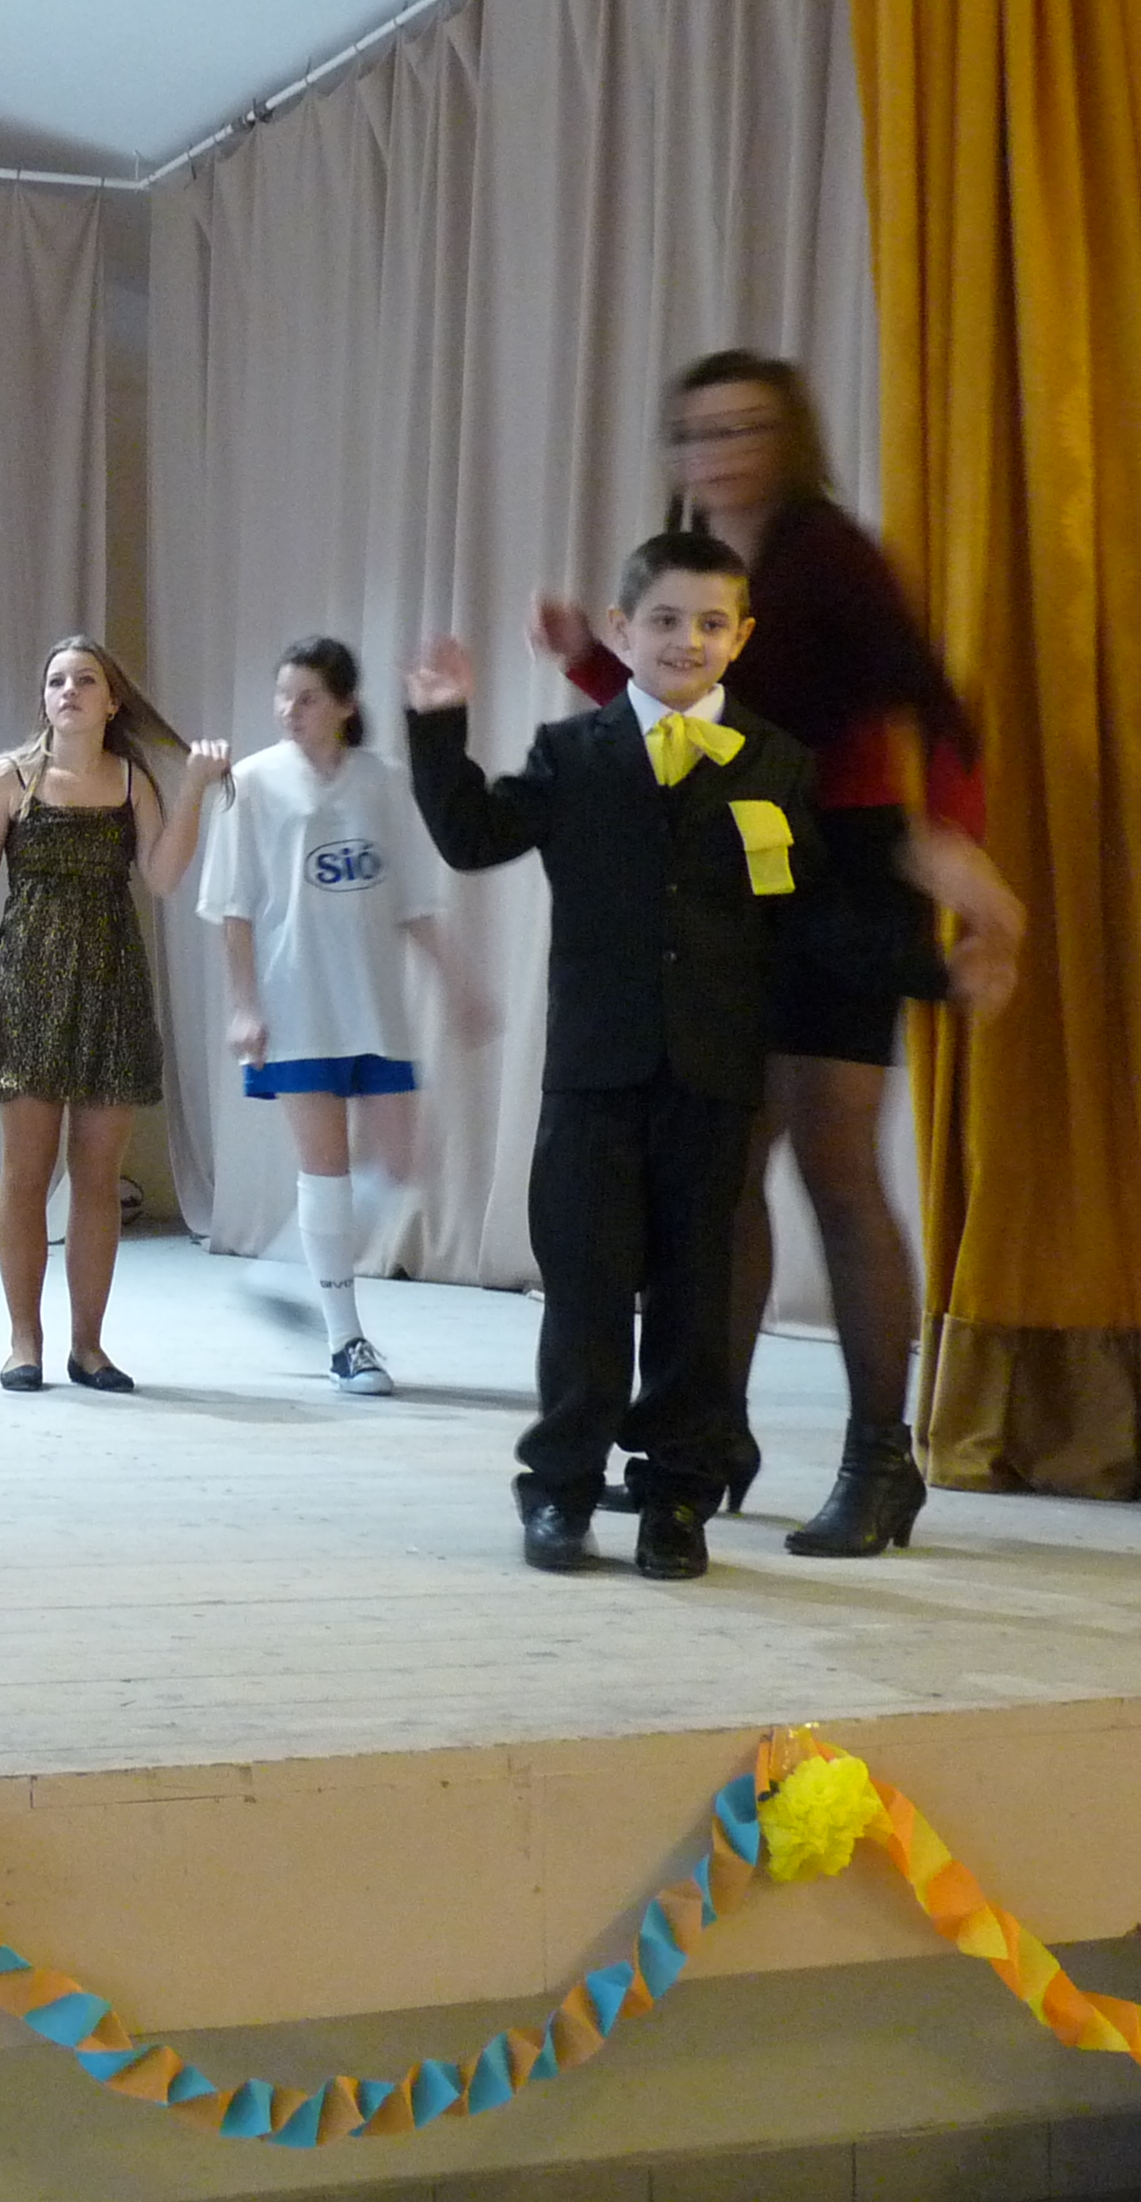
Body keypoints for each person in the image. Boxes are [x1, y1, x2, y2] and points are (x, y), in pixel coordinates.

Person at [533, 351, 1023, 1556]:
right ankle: (704, 1443)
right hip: (735, 885)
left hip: (845, 871)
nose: (718, 451)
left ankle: (879, 1461)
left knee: (836, 1169)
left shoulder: (828, 554)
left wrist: (956, 848)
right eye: (697, 431)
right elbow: (693, 729)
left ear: (790, 437)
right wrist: (589, 663)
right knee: (720, 1175)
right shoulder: (694, 567)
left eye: (744, 427)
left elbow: (933, 709)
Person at [408, 531, 825, 1580]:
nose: (688, 640)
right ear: (620, 632)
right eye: (666, 620)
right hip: (595, 1069)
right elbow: (472, 837)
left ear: (742, 637)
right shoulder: (574, 754)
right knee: (585, 1291)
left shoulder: (778, 760)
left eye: (712, 623)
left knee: (696, 1298)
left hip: (713, 1076)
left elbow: (795, 918)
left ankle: (677, 1495)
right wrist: (439, 727)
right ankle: (560, 1487)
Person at [0, 636, 223, 1393]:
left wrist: (193, 790)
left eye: (85, 680)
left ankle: (89, 1346)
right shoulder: (9, 779)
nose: (68, 690)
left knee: (98, 1176)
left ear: (112, 701)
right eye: (56, 681)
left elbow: (162, 876)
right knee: (25, 1171)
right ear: (44, 700)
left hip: (111, 984)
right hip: (28, 982)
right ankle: (23, 1340)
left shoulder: (133, 782)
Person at [197, 637, 457, 1396]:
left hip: (372, 999)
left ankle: (281, 1275)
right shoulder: (252, 783)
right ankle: (346, 1339)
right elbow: (233, 907)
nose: (290, 710)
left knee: (401, 1160)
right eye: (283, 696)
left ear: (345, 704)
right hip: (296, 1000)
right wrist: (245, 1005)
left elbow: (413, 899)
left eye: (307, 697)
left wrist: (458, 982)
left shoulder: (383, 781)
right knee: (327, 1167)